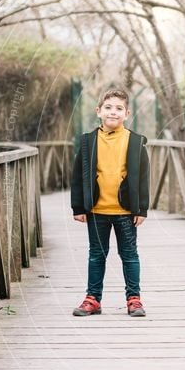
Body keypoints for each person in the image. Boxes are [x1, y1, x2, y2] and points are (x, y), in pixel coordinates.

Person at [70, 88, 150, 317]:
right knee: (96, 254)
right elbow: (78, 175)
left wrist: (141, 208)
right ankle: (92, 299)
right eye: (108, 107)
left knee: (129, 255)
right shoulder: (88, 141)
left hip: (126, 210)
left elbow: (144, 177)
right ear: (98, 111)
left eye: (118, 108)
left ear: (127, 113)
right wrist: (78, 207)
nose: (112, 112)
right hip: (96, 209)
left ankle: (134, 299)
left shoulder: (135, 141)